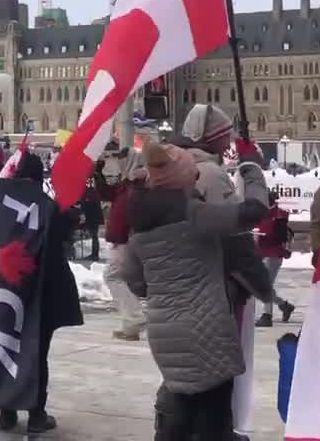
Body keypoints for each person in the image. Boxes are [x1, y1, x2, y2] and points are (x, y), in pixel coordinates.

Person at [123, 140, 270, 441]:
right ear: (180, 178)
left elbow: (133, 278)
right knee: (214, 414)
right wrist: (252, 169)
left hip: (164, 332)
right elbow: (254, 211)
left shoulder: (140, 223)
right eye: (193, 174)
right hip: (207, 329)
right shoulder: (195, 214)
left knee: (182, 399)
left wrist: (166, 287)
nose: (198, 178)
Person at [0, 152, 83, 434]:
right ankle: (36, 414)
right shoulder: (47, 207)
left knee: (9, 349)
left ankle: (7, 411)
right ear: (38, 178)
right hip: (43, 293)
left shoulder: (3, 205)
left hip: (9, 289)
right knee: (37, 352)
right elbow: (61, 235)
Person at [98, 144, 145, 341]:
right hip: (123, 239)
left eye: (122, 159)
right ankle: (131, 324)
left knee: (112, 276)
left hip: (127, 239)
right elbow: (107, 194)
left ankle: (134, 317)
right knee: (120, 278)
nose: (118, 163)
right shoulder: (128, 183)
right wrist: (98, 172)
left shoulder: (137, 185)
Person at [254, 191, 297, 327]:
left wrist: (263, 235)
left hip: (273, 254)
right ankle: (284, 305)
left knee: (264, 285)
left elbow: (278, 236)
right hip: (261, 252)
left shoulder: (279, 215)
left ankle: (267, 315)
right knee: (261, 285)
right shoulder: (259, 214)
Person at [77, 181, 104, 262]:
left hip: (92, 217)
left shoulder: (87, 192)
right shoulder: (90, 191)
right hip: (95, 217)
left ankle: (95, 255)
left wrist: (81, 206)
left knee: (94, 236)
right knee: (94, 236)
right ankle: (94, 254)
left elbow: (87, 204)